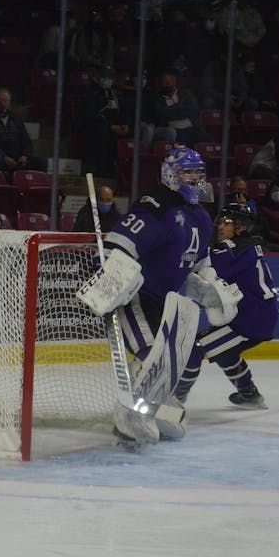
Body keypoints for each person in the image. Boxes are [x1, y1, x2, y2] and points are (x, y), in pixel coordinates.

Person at [75, 146, 220, 440]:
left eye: (197, 172)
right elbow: (118, 245)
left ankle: (156, 408)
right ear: (170, 174)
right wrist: (108, 277)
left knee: (178, 360)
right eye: (187, 172)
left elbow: (200, 262)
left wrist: (210, 285)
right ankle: (130, 416)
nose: (194, 178)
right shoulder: (156, 206)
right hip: (136, 297)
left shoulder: (202, 217)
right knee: (151, 356)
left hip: (164, 302)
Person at [173, 202, 279, 409]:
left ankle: (176, 396)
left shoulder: (233, 248)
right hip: (257, 316)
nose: (221, 226)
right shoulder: (247, 245)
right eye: (220, 221)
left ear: (240, 226)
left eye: (227, 222)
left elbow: (204, 262)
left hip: (251, 319)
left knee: (195, 348)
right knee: (224, 352)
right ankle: (249, 395)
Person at [0, 88, 47, 176]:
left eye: (5, 101)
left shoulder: (16, 118)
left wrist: (25, 155)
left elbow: (26, 141)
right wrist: (4, 157)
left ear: (9, 103)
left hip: (17, 157)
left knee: (41, 161)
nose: (2, 103)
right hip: (0, 156)